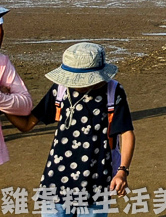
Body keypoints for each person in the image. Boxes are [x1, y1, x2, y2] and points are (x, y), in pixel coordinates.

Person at [7, 42, 135, 211]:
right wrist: (4, 103)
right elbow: (26, 125)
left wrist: (122, 172)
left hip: (96, 181)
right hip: (56, 180)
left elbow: (126, 133)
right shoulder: (60, 89)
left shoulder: (113, 91)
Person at [0, 6, 32, 167]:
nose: (0, 34)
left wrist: (1, 98)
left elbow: (25, 105)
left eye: (0, 27)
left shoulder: (2, 62)